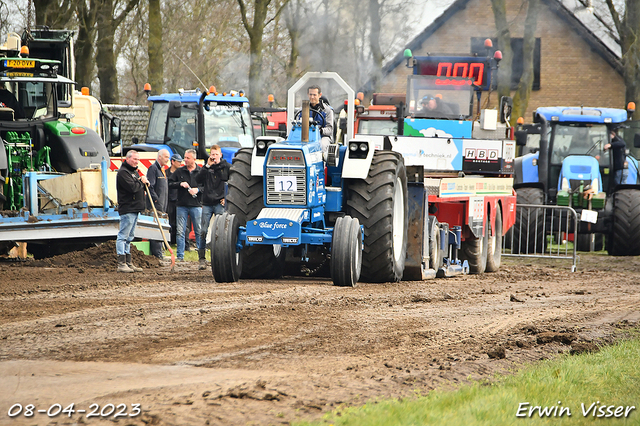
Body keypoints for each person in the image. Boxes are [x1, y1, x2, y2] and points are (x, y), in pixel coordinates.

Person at [195, 145, 231, 270]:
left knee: (220, 231)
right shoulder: (207, 168)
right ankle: (202, 258)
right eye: (212, 154)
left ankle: (220, 257)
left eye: (216, 154)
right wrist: (207, 166)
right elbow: (197, 179)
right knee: (203, 230)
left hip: (219, 203)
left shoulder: (227, 167)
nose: (214, 156)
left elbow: (233, 183)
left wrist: (226, 198)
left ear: (220, 155)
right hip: (207, 203)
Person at [116, 150, 149, 273]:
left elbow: (138, 185)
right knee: (123, 236)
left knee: (129, 237)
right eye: (134, 159)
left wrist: (144, 182)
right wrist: (141, 182)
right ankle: (121, 263)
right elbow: (133, 188)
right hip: (128, 208)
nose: (136, 161)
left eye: (138, 159)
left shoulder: (133, 172)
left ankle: (128, 262)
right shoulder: (123, 173)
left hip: (135, 209)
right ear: (128, 159)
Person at [168, 148, 203, 262]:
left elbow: (207, 186)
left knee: (198, 231)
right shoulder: (179, 171)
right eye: (185, 157)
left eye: (188, 158)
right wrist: (180, 184)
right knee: (180, 231)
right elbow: (169, 183)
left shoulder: (201, 172)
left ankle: (201, 256)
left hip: (196, 205)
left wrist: (197, 190)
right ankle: (180, 256)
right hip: (181, 205)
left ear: (194, 159)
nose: (185, 160)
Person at [147, 149, 170, 261]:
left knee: (162, 228)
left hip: (163, 204)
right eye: (166, 157)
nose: (168, 159)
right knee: (156, 228)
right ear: (159, 157)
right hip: (156, 205)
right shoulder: (153, 169)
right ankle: (157, 254)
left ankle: (160, 251)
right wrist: (156, 200)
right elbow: (150, 186)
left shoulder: (162, 170)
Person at [308, 85, 334, 157]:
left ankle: (322, 164)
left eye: (314, 95)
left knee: (321, 145)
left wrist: (320, 131)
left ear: (320, 95)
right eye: (310, 94)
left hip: (323, 136)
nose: (312, 97)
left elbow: (330, 129)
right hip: (306, 136)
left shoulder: (327, 110)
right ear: (308, 95)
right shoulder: (303, 110)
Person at [166, 153, 183, 245]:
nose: (180, 163)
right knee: (170, 221)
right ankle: (170, 241)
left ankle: (177, 242)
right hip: (169, 200)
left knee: (179, 222)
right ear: (172, 162)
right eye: (178, 161)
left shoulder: (181, 173)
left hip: (179, 200)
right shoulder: (166, 173)